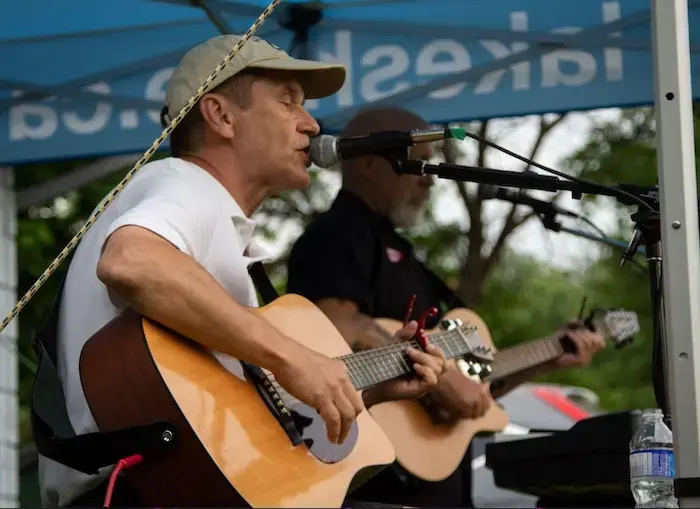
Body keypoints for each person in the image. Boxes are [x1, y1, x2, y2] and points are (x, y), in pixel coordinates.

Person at [36, 36, 448, 508]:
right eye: (288, 102)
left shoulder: (222, 237)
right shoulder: (183, 182)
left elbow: (249, 425)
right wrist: (294, 358)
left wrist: (367, 386)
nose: (311, 123)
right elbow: (132, 260)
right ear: (221, 116)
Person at [286, 106, 606, 507]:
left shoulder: (404, 255)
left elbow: (476, 379)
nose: (430, 180)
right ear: (367, 163)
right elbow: (335, 322)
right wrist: (436, 380)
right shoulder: (336, 234)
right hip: (375, 484)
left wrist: (550, 355)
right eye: (418, 164)